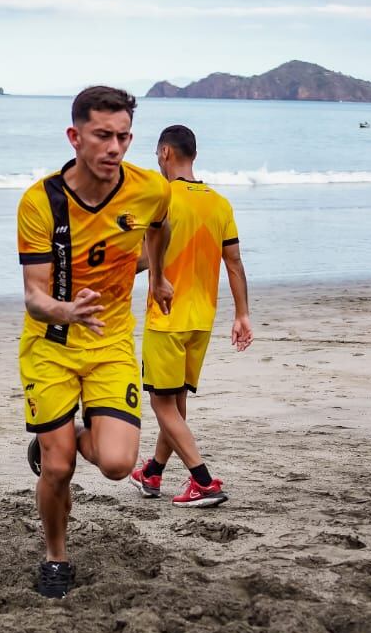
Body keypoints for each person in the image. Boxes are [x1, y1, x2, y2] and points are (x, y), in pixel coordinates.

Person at [18, 86, 172, 598]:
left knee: (116, 465)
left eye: (123, 137)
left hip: (110, 345)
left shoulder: (150, 189)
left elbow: (160, 226)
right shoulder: (40, 202)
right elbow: (34, 296)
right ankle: (56, 556)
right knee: (59, 466)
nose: (114, 147)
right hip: (51, 344)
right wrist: (68, 310)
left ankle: (59, 434)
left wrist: (159, 275)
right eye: (103, 136)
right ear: (75, 136)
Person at [129, 125, 252, 508]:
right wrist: (242, 315)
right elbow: (233, 263)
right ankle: (152, 471)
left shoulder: (162, 198)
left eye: (156, 153)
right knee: (176, 404)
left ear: (166, 152)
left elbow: (143, 259)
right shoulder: (219, 202)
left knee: (162, 405)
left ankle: (202, 481)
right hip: (203, 319)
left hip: (166, 318)